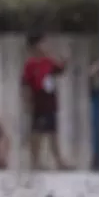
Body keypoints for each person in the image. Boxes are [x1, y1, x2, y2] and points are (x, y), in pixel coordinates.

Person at [21, 32, 71, 170]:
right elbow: (25, 84)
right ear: (34, 46)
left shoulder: (48, 61)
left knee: (53, 132)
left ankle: (59, 161)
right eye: (43, 43)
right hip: (38, 102)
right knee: (37, 133)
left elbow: (59, 70)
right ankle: (35, 162)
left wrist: (65, 61)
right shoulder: (30, 65)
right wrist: (27, 103)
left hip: (50, 102)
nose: (46, 46)